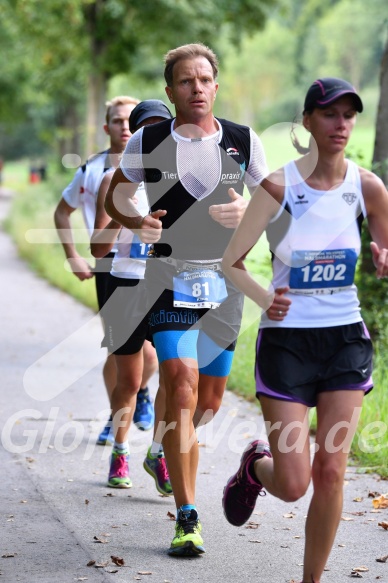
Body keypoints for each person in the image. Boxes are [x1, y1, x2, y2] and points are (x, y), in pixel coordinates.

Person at [221, 77, 388, 583]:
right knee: (294, 484)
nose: (341, 124)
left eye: (349, 115)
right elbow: (233, 262)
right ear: (308, 121)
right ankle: (256, 467)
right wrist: (265, 299)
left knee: (331, 472)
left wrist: (383, 257)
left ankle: (310, 580)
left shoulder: (367, 186)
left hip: (344, 341)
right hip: (287, 344)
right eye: (330, 114)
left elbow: (384, 245)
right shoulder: (278, 186)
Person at [104, 43, 268, 556]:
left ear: (216, 86)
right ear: (170, 90)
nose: (196, 89)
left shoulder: (243, 141)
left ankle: (160, 451)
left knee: (208, 403)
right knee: (181, 382)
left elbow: (274, 205)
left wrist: (246, 211)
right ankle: (187, 517)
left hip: (225, 285)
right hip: (168, 279)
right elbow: (116, 192)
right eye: (185, 81)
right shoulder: (148, 140)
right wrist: (137, 221)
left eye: (204, 80)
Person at [54, 96, 155, 445]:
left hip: (148, 265)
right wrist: (72, 257)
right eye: (118, 121)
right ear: (106, 127)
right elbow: (61, 213)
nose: (125, 127)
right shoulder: (93, 170)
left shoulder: (162, 169)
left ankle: (139, 393)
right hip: (109, 265)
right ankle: (118, 418)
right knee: (118, 349)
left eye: (131, 121)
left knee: (152, 351)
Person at [90, 99, 173, 493]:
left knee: (176, 376)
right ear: (137, 136)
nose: (154, 137)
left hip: (168, 286)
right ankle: (120, 448)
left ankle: (158, 452)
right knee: (130, 379)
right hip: (126, 286)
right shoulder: (114, 180)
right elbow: (97, 247)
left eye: (162, 128)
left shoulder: (181, 178)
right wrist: (130, 224)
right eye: (147, 130)